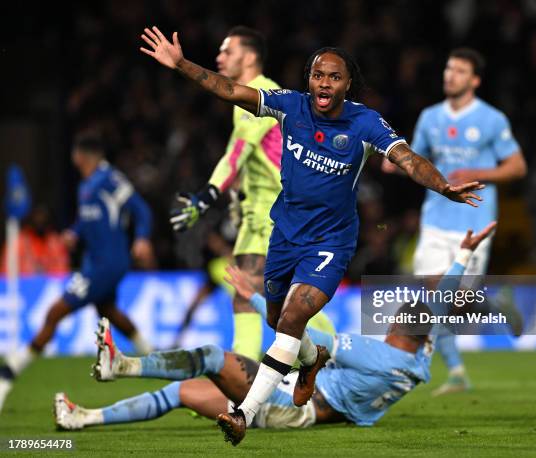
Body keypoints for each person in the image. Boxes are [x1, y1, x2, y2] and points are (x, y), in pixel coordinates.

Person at [139, 26, 484, 445]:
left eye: (334, 77)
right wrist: (180, 64)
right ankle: (312, 360)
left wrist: (442, 185)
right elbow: (230, 90)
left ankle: (243, 414)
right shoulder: (290, 106)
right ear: (309, 80)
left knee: (290, 319)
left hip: (331, 242)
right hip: (284, 234)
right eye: (319, 75)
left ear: (346, 84)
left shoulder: (365, 122)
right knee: (276, 320)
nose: (325, 83)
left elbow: (407, 159)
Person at [53, 221, 496, 434]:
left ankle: (120, 365)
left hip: (290, 406)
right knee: (179, 393)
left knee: (211, 358)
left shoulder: (379, 354)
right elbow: (437, 308)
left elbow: (301, 331)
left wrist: (254, 291)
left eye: (398, 316)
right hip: (297, 397)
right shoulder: (419, 353)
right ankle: (84, 417)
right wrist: (462, 256)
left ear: (402, 326)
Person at [384, 48, 527, 395]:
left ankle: (495, 305)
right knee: (436, 297)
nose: (450, 75)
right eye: (449, 69)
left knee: (459, 302)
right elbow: (415, 160)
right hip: (435, 220)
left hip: (474, 221)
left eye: (460, 71)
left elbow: (517, 167)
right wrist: (394, 162)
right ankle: (457, 373)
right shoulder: (430, 117)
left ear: (474, 80)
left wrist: (477, 171)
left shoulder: (492, 119)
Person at [0, 133, 154, 412]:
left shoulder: (110, 179)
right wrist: (74, 232)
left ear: (80, 156)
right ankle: (152, 354)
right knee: (108, 311)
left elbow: (141, 210)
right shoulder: (86, 185)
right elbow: (86, 219)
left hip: (107, 263)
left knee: (55, 313)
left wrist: (141, 237)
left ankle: (9, 372)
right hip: (95, 263)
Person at [171, 26, 290, 359]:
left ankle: (336, 351)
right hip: (259, 214)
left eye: (227, 51)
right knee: (252, 296)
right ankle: (243, 379)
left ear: (249, 57)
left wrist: (206, 197)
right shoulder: (249, 96)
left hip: (276, 212)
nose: (219, 57)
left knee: (269, 300)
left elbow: (236, 154)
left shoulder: (263, 95)